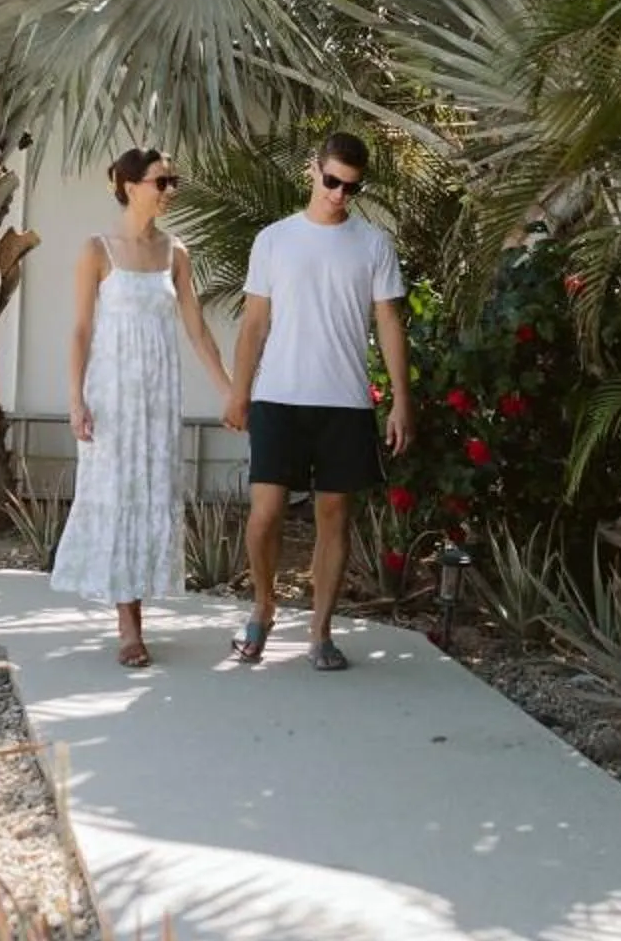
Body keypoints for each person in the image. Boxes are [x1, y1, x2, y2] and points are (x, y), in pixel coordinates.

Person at [223, 132, 413, 670]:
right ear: (314, 169)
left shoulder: (373, 244)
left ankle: (321, 632)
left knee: (334, 516)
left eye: (351, 187)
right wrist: (239, 392)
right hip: (278, 396)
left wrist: (402, 400)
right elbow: (254, 323)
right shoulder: (274, 240)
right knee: (265, 514)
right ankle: (263, 606)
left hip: (345, 401)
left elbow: (389, 323)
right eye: (332, 181)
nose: (338, 194)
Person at [49, 147, 231, 667]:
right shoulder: (97, 250)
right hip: (112, 397)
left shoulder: (176, 252)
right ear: (130, 187)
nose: (170, 190)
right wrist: (75, 400)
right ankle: (128, 624)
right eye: (161, 181)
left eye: (173, 181)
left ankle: (137, 608)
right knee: (117, 493)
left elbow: (197, 329)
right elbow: (80, 330)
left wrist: (229, 391)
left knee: (150, 493)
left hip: (158, 398)